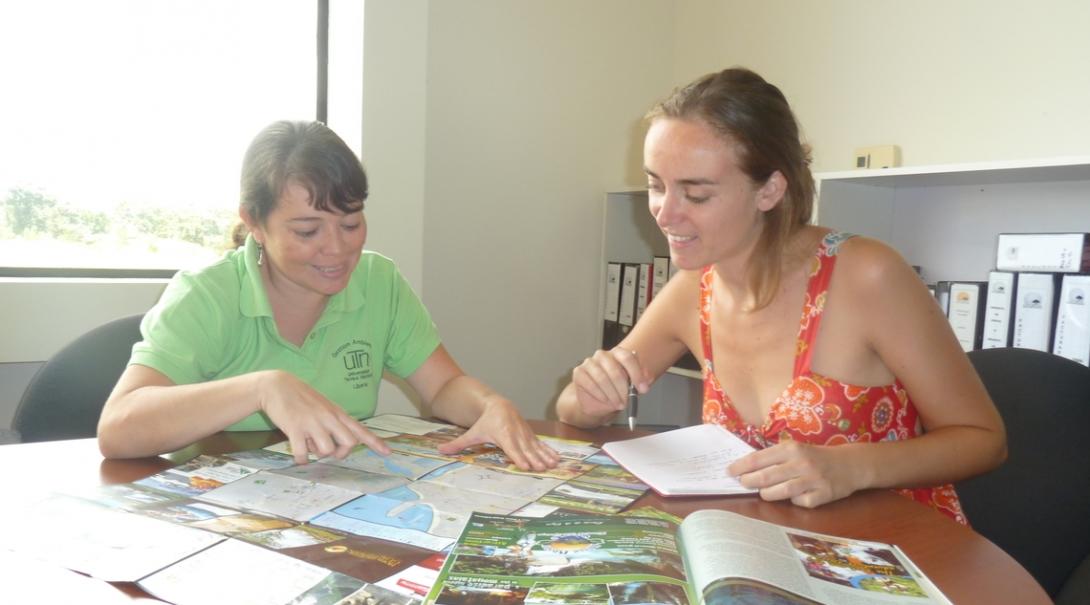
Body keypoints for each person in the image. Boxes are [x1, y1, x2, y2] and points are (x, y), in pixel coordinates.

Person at [556, 68, 1006, 522]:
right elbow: (573, 410)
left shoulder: (868, 275)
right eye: (656, 185)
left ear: (769, 190)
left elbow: (983, 439)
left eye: (695, 194)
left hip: (895, 553)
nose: (665, 214)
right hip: (768, 546)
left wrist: (852, 467)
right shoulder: (693, 290)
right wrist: (588, 395)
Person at [98, 120, 559, 471]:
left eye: (351, 223)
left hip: (338, 501)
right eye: (307, 230)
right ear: (254, 223)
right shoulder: (206, 294)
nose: (337, 249)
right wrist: (262, 388)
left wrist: (490, 406)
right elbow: (118, 429)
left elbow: (442, 387)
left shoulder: (378, 281)